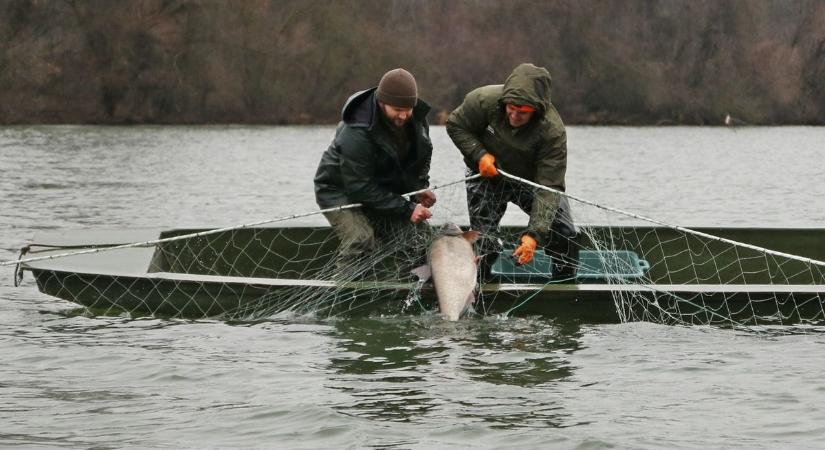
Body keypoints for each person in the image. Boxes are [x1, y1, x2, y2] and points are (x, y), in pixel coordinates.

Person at [446, 63, 578, 281]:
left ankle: (564, 284)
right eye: (511, 108)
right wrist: (479, 155)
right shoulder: (482, 100)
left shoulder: (552, 132)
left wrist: (533, 235)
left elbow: (549, 187)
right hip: (485, 175)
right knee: (484, 241)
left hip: (530, 182)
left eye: (523, 112)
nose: (515, 115)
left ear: (536, 111)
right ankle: (481, 285)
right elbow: (455, 125)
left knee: (565, 233)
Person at [314, 68, 436, 276]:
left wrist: (418, 188)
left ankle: (410, 291)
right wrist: (407, 209)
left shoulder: (415, 117)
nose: (404, 114)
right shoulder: (356, 130)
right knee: (361, 239)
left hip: (381, 190)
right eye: (397, 109)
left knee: (420, 237)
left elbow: (419, 159)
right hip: (339, 191)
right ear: (381, 103)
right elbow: (358, 187)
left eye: (408, 108)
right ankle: (341, 295)